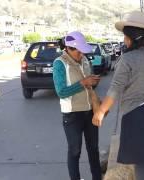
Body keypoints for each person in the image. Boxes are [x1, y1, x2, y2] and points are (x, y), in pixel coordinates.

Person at [92, 11, 144, 180]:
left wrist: (100, 111)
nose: (123, 40)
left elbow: (115, 88)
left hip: (136, 115)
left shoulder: (127, 59)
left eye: (125, 36)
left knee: (141, 161)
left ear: (130, 38)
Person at [53, 31, 102, 180]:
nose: (81, 54)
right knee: (75, 151)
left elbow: (89, 84)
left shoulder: (85, 60)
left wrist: (93, 82)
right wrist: (83, 83)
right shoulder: (59, 63)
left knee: (93, 149)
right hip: (72, 115)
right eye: (78, 51)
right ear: (69, 48)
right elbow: (61, 92)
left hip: (90, 112)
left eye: (82, 51)